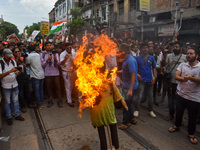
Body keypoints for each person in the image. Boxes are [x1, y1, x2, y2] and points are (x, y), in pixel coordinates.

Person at [168, 47, 200, 145]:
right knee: (179, 113)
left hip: (194, 97)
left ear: (197, 56)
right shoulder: (182, 64)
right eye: (187, 53)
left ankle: (191, 133)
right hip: (181, 94)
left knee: (192, 117)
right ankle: (177, 125)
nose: (189, 55)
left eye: (191, 53)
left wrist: (190, 78)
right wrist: (183, 79)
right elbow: (176, 76)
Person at [0, 49, 25, 125]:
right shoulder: (1, 63)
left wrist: (19, 72)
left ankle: (17, 114)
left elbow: (15, 72)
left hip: (14, 84)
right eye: (8, 56)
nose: (9, 58)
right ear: (3, 55)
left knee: (15, 101)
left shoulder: (13, 61)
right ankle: (9, 117)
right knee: (7, 102)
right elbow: (0, 76)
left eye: (10, 56)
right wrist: (9, 71)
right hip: (6, 86)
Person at [164, 41, 187, 120]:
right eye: (174, 47)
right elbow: (166, 67)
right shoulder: (169, 56)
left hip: (181, 83)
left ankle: (179, 117)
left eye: (177, 47)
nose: (175, 48)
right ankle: (171, 114)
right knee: (170, 99)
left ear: (181, 48)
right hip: (171, 82)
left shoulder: (185, 57)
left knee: (179, 101)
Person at [118, 43, 138, 129]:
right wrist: (120, 72)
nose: (118, 53)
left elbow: (133, 75)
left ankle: (125, 123)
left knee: (125, 104)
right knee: (128, 104)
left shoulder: (130, 61)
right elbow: (128, 70)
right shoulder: (127, 59)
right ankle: (132, 118)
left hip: (129, 87)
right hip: (127, 85)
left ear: (123, 52)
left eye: (120, 51)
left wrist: (130, 90)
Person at [134, 43, 157, 118]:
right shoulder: (137, 58)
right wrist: (137, 74)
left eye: (146, 47)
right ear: (140, 50)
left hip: (150, 79)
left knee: (150, 96)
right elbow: (134, 68)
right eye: (143, 48)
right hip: (141, 80)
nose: (145, 49)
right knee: (139, 95)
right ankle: (137, 110)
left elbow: (154, 68)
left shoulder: (151, 58)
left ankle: (151, 110)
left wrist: (154, 77)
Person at [41, 42, 63, 108]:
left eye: (50, 45)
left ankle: (59, 101)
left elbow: (59, 65)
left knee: (58, 88)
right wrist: (47, 60)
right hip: (48, 74)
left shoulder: (56, 54)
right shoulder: (43, 54)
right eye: (47, 45)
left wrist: (56, 60)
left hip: (56, 73)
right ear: (45, 47)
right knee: (49, 88)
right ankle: (50, 101)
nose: (49, 47)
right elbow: (42, 65)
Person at [12, 47, 31, 112]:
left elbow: (23, 68)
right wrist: (17, 58)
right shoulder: (13, 60)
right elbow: (14, 67)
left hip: (25, 77)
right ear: (13, 53)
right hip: (19, 79)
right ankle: (23, 106)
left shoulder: (21, 58)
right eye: (16, 52)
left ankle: (29, 103)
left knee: (27, 91)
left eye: (18, 51)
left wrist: (24, 65)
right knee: (21, 93)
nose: (17, 53)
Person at [26, 45, 45, 109]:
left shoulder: (29, 56)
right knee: (41, 89)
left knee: (36, 90)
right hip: (42, 74)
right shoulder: (39, 54)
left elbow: (27, 64)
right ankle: (41, 101)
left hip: (35, 75)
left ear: (28, 50)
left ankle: (39, 104)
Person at [60, 43, 75, 107]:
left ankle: (69, 98)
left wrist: (72, 58)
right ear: (65, 48)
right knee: (68, 86)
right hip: (65, 72)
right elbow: (61, 63)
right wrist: (65, 59)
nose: (69, 49)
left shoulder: (74, 52)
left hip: (72, 72)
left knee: (71, 86)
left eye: (70, 48)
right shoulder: (62, 54)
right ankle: (69, 101)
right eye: (67, 48)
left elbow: (76, 61)